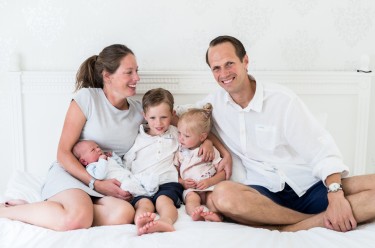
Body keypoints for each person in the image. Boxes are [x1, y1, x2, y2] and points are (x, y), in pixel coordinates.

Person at [178, 35, 375, 232]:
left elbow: (321, 151)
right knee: (221, 196)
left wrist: (335, 195)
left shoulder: (283, 101)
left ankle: (294, 225)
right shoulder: (213, 104)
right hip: (262, 197)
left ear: (245, 60)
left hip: (308, 186)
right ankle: (309, 222)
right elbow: (172, 117)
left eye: (229, 63)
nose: (224, 73)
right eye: (216, 68)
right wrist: (212, 143)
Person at [0, 44, 143, 230]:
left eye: (137, 71)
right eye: (129, 72)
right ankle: (6, 211)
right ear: (107, 76)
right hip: (73, 174)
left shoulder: (140, 111)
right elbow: (63, 152)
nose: (137, 78)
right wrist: (95, 183)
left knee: (124, 213)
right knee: (77, 219)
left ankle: (54, 210)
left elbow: (175, 121)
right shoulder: (87, 99)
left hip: (107, 181)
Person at [123, 88, 183, 235]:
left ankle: (166, 221)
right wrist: (127, 182)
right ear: (144, 116)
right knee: (143, 204)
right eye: (153, 118)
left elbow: (192, 141)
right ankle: (141, 222)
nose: (158, 123)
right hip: (141, 183)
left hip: (166, 181)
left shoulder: (176, 133)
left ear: (172, 114)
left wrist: (206, 144)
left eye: (164, 117)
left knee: (164, 201)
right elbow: (127, 161)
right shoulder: (139, 137)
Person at [174, 103, 225, 222]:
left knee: (213, 200)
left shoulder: (210, 151)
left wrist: (210, 181)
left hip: (209, 187)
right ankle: (196, 213)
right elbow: (174, 174)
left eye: (186, 135)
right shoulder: (179, 152)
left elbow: (222, 173)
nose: (181, 138)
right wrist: (182, 182)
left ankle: (216, 215)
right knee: (191, 200)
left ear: (202, 137)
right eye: (179, 133)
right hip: (191, 189)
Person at [73, 140, 158, 197]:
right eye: (93, 150)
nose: (98, 149)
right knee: (129, 186)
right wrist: (102, 160)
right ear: (84, 161)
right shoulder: (92, 167)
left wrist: (113, 156)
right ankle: (146, 194)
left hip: (128, 175)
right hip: (121, 184)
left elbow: (120, 165)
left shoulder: (105, 159)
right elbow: (100, 175)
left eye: (97, 147)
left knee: (142, 177)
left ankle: (151, 185)